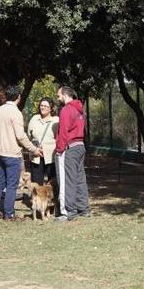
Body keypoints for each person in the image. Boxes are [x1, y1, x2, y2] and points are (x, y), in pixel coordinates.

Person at [0, 85, 43, 220]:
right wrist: (33, 149)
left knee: (0, 183)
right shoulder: (16, 113)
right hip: (12, 154)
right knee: (12, 185)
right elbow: (20, 136)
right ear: (18, 97)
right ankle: (9, 214)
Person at [54, 85, 89, 221]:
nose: (58, 98)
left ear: (65, 95)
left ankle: (68, 211)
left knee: (66, 180)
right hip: (80, 146)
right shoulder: (80, 110)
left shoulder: (66, 110)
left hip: (70, 148)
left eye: (58, 95)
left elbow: (63, 132)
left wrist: (59, 149)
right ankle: (84, 209)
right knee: (80, 179)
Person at [27, 98, 59, 187]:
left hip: (51, 155)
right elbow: (29, 135)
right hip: (36, 154)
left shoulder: (56, 120)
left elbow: (59, 136)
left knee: (53, 180)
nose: (43, 108)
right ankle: (37, 199)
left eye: (45, 106)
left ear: (51, 108)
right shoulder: (34, 119)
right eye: (41, 105)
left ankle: (53, 198)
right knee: (36, 182)